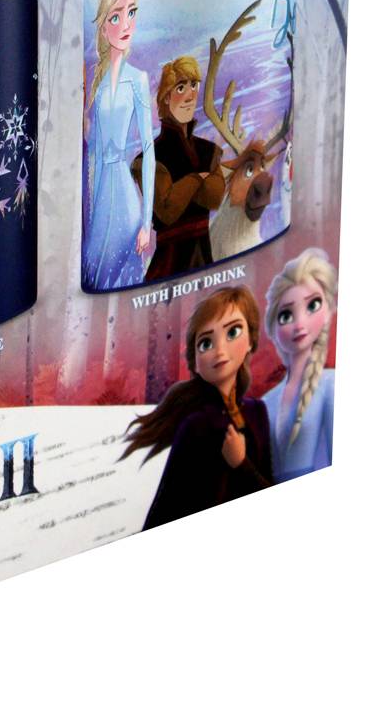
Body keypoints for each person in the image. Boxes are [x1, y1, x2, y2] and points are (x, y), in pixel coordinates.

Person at [121, 285, 273, 529]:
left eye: (233, 332)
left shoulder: (257, 411)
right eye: (206, 343)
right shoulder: (197, 425)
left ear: (251, 340)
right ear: (195, 363)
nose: (220, 351)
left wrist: (240, 463)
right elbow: (166, 507)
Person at [83, 0, 154, 291]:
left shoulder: (137, 79)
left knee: (121, 278)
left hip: (125, 196)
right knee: (94, 273)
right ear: (103, 26)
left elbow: (149, 152)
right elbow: (95, 152)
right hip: (101, 197)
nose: (126, 24)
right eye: (116, 17)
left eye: (131, 13)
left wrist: (146, 222)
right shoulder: (97, 84)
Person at [133, 56, 225, 282]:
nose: (190, 95)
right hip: (169, 263)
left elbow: (215, 197)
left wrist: (182, 188)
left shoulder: (208, 150)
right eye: (181, 88)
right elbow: (167, 210)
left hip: (204, 256)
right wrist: (198, 177)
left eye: (194, 86)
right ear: (166, 98)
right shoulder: (149, 158)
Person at [262, 248, 337, 482]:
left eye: (312, 305)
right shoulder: (266, 401)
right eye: (286, 316)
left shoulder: (331, 384)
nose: (299, 324)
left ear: (328, 311)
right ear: (273, 326)